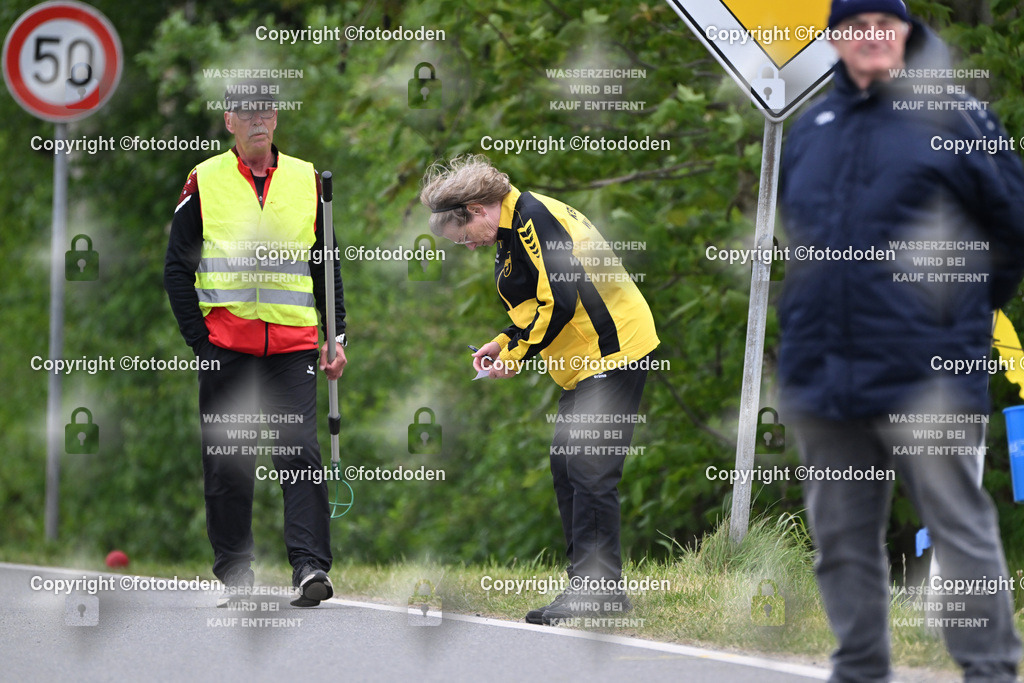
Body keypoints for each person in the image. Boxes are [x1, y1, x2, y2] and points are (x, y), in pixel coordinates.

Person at [778, 0, 1024, 680]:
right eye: (855, 28)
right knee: (841, 543)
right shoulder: (811, 128)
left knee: (960, 529)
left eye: (884, 25)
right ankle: (859, 668)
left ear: (908, 34)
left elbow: (1012, 233)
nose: (871, 38)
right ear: (834, 41)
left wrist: (959, 317)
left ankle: (990, 670)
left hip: (929, 374)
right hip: (823, 376)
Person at [420, 155, 659, 625]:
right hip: (587, 361)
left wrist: (516, 356)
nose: (468, 248)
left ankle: (597, 590)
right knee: (567, 464)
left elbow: (563, 298)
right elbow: (536, 305)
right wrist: (504, 341)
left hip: (615, 349)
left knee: (589, 468)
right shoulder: (512, 228)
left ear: (475, 209)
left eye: (465, 238)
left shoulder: (533, 219)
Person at [164, 81, 347, 608]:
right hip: (227, 347)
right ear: (229, 121)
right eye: (247, 112)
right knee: (229, 461)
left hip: (291, 348)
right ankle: (236, 573)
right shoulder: (205, 179)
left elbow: (325, 265)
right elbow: (178, 267)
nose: (258, 119)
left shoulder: (308, 179)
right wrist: (200, 342)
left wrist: (335, 337)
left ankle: (310, 567)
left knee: (300, 451)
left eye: (266, 109)